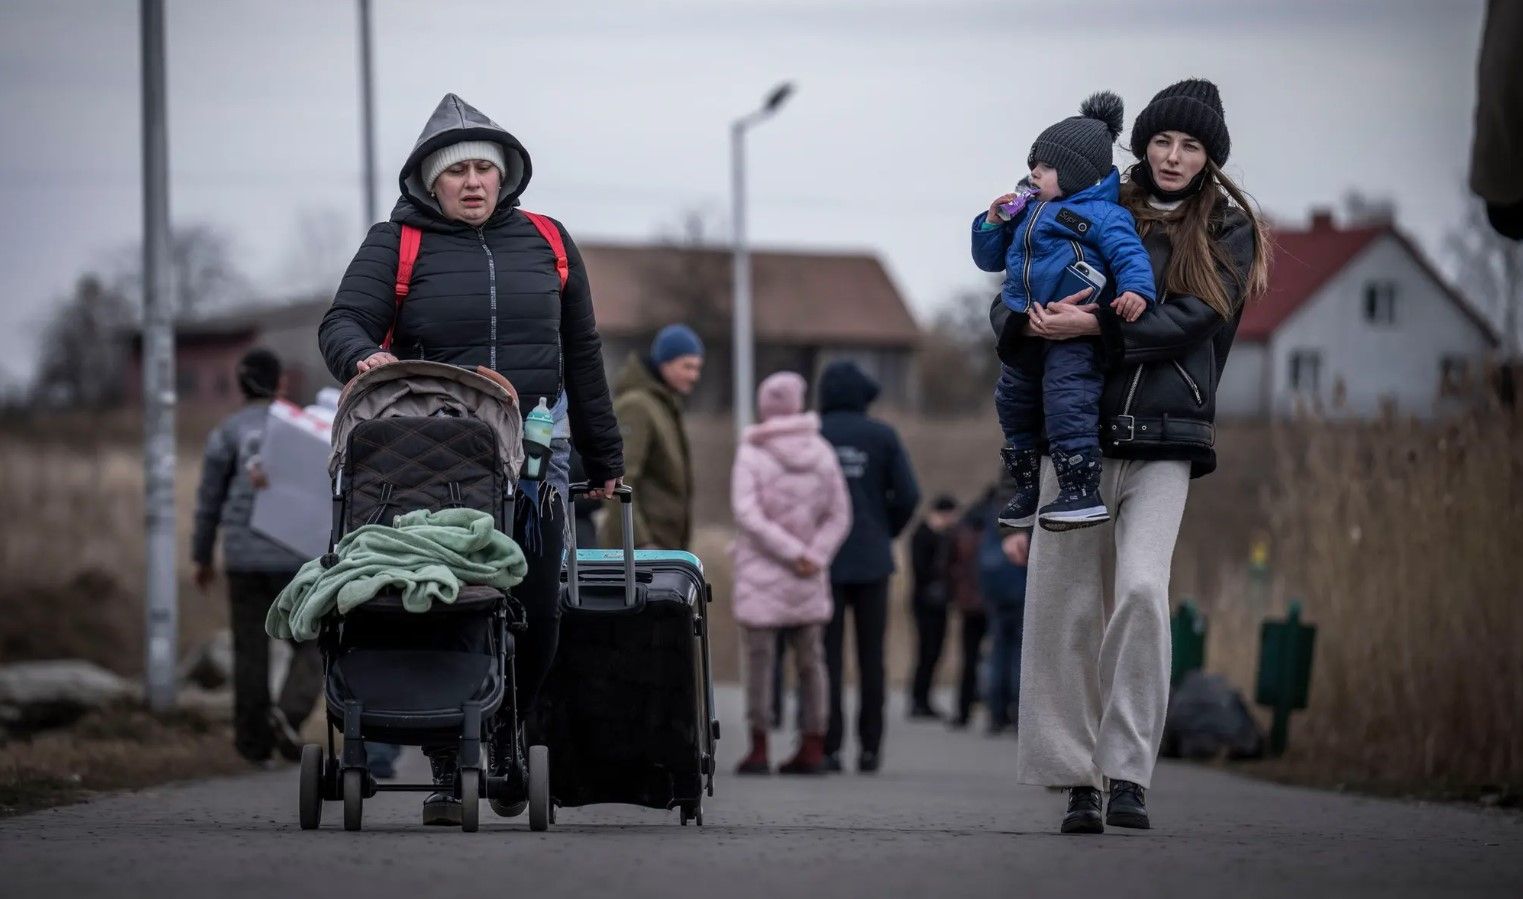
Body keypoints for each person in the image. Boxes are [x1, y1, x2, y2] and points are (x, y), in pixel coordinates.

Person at [318, 93, 624, 825]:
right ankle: (452, 759)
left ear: (506, 174)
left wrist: (604, 453)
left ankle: (511, 731)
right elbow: (343, 321)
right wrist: (364, 357)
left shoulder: (548, 240)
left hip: (537, 449)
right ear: (429, 181)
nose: (473, 182)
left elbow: (581, 351)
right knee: (450, 597)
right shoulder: (395, 244)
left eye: (486, 168)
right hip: (434, 449)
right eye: (457, 172)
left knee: (540, 600)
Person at [1009, 79, 1270, 834]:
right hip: (1076, 433)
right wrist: (1024, 319)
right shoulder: (1093, 197)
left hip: (1167, 439)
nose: (1173, 155)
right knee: (1063, 608)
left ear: (1208, 157)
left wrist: (1092, 328)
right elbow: (1022, 267)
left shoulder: (1227, 224)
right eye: (1161, 140)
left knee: (1142, 592)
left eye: (1190, 146)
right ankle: (1075, 780)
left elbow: (1192, 319)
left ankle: (1126, 770)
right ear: (1141, 142)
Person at [972, 92, 1157, 532]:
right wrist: (993, 223)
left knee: (1067, 401)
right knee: (1012, 401)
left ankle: (1080, 488)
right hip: (1028, 328)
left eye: (1046, 167)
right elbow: (988, 261)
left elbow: (1130, 256)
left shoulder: (1102, 215)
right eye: (1033, 162)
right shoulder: (1026, 210)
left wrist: (1136, 291)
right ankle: (1027, 484)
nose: (1033, 172)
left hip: (1075, 333)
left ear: (1074, 174)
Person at [191, 348, 323, 767]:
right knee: (314, 638)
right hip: (296, 555)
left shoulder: (226, 433)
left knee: (251, 649)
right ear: (281, 382)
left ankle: (253, 744)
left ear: (241, 384)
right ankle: (288, 712)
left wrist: (202, 556)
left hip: (243, 556)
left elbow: (209, 499)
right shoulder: (305, 427)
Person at [729, 372, 852, 777]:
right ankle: (813, 747)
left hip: (761, 571)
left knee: (761, 661)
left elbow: (746, 512)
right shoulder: (822, 451)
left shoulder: (752, 451)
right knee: (812, 662)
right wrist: (812, 554)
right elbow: (839, 514)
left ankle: (759, 748)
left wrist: (788, 551)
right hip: (808, 574)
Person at [817, 360, 921, 773]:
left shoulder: (812, 435)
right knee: (871, 656)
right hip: (873, 560)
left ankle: (829, 746)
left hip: (821, 561)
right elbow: (910, 495)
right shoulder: (883, 436)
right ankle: (870, 747)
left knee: (827, 657)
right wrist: (885, 531)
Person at [600, 324, 703, 550]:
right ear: (665, 362)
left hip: (663, 550)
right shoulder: (637, 406)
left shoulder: (663, 405)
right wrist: (641, 542)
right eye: (687, 366)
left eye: (697, 368)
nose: (694, 376)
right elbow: (620, 481)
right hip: (639, 555)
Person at [907, 495, 959, 720]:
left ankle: (925, 699)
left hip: (939, 602)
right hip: (924, 602)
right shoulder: (923, 535)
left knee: (935, 651)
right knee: (926, 651)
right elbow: (923, 569)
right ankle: (919, 700)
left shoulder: (943, 536)